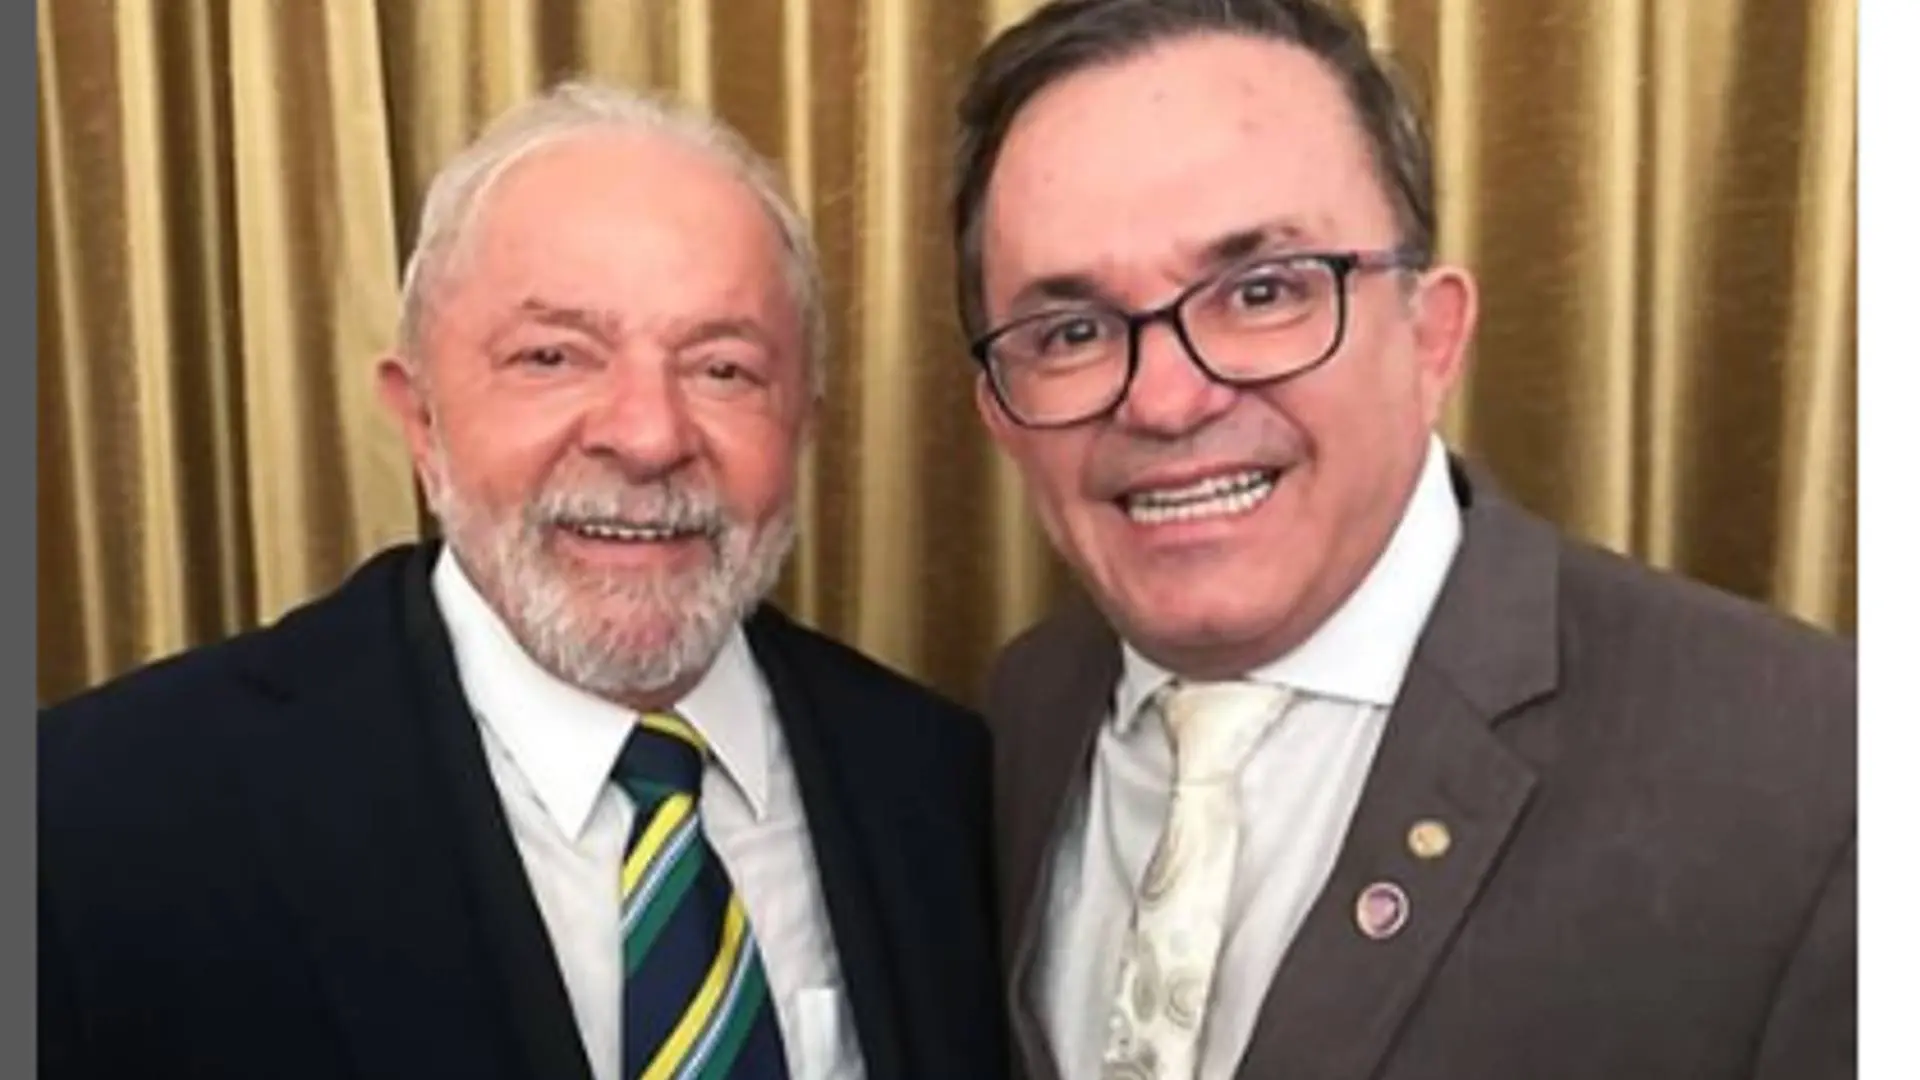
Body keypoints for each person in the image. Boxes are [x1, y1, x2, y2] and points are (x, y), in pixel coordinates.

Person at [950, 3, 1854, 1079]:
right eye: (1071, 333)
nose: (1167, 400)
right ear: (1001, 415)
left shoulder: (1823, 775)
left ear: (1432, 337)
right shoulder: (1022, 714)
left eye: (1262, 292)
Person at [40, 82, 1006, 1080]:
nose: (648, 436)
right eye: (553, 357)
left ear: (802, 424)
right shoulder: (93, 817)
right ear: (420, 419)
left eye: (723, 369)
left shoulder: (945, 785)